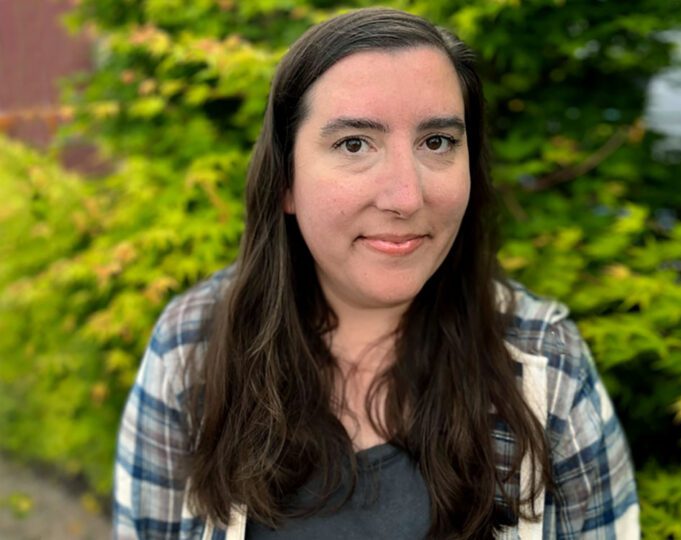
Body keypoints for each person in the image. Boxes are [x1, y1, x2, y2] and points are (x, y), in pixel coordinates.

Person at [113, 8, 639, 540]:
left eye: (437, 142)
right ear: (285, 181)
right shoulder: (191, 350)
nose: (406, 198)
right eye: (354, 144)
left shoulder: (548, 369)